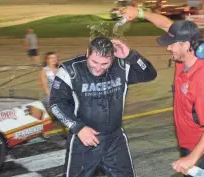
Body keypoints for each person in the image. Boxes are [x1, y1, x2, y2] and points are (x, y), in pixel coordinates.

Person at [121, 7, 204, 176]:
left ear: (186, 44)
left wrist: (192, 158)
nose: (168, 48)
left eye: (171, 44)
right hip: (187, 139)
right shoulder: (185, 55)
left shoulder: (203, 77)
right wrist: (140, 13)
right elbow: (167, 26)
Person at [49, 36, 157, 177]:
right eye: (94, 62)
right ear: (87, 53)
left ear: (112, 58)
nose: (98, 68)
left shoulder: (121, 66)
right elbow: (56, 103)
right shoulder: (71, 70)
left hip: (115, 140)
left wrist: (131, 55)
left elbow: (149, 74)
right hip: (84, 140)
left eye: (105, 63)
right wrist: (78, 127)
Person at [40, 52, 59, 139]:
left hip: (60, 95)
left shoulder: (59, 70)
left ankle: (66, 130)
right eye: (51, 58)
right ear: (47, 60)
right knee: (49, 115)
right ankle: (45, 131)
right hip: (49, 96)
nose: (54, 59)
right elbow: (45, 87)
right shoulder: (44, 71)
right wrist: (53, 98)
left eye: (55, 57)